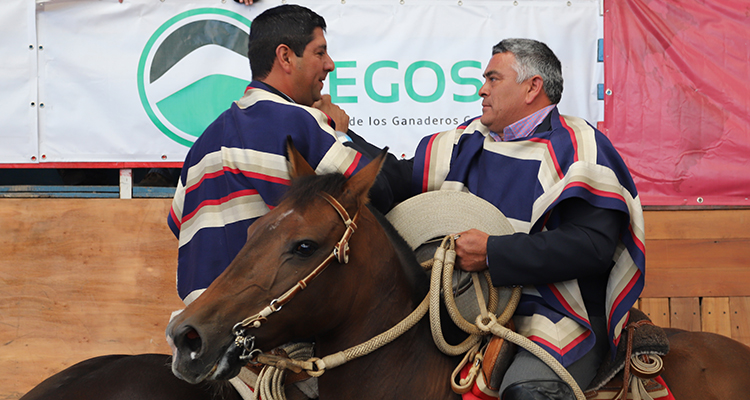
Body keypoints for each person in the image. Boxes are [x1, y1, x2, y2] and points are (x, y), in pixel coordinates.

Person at [410, 39, 645, 399]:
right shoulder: (467, 140)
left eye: (492, 79)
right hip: (467, 308)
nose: (481, 89)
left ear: (532, 87)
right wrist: (330, 131)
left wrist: (493, 253)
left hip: (562, 315)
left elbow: (593, 247)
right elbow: (389, 179)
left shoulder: (581, 146)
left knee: (531, 391)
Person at [167, 4, 402, 306]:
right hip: (265, 329)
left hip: (199, 332)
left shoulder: (202, 144)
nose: (329, 64)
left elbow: (177, 223)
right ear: (286, 57)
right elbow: (377, 192)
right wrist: (341, 134)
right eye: (320, 52)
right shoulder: (294, 121)